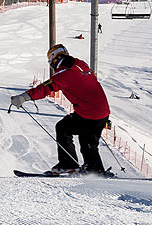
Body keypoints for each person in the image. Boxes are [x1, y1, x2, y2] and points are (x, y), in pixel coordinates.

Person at [9, 43, 111, 175]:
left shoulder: (64, 74)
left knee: (64, 129)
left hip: (89, 114)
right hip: (101, 112)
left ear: (53, 59)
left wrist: (24, 97)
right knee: (88, 142)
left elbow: (45, 88)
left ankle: (70, 164)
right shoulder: (80, 64)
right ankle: (94, 169)